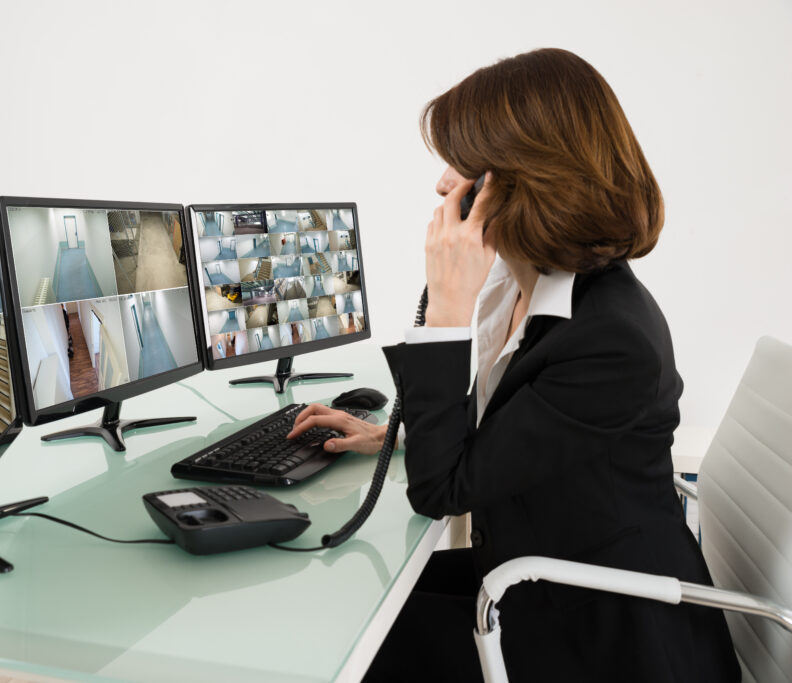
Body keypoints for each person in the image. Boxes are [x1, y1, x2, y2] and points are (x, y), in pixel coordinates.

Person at [287, 48, 740, 682]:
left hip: (604, 632)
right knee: (339, 605)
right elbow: (523, 430)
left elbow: (441, 493)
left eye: (462, 165)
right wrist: (394, 434)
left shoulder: (612, 339)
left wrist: (445, 307)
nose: (443, 184)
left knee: (339, 655)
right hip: (534, 570)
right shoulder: (527, 284)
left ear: (526, 179)